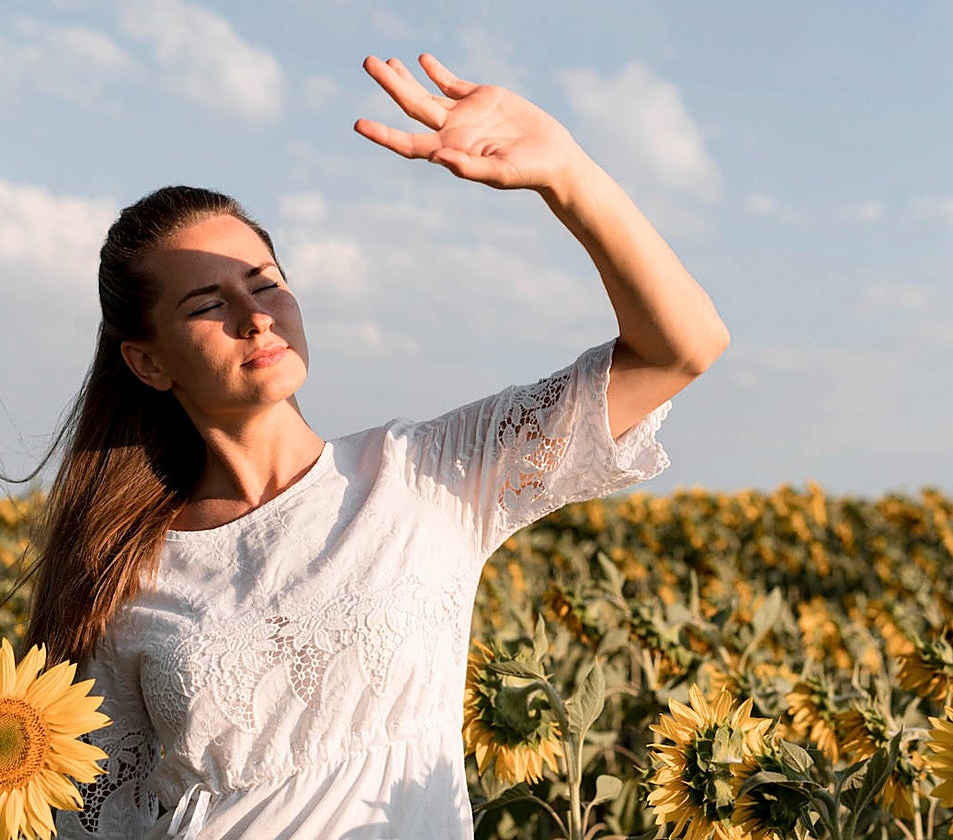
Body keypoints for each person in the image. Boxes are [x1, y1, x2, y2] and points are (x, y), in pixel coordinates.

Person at [40, 53, 729, 839]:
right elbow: (94, 821)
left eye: (265, 282)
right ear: (148, 362)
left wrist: (565, 174)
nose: (255, 316)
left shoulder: (427, 474)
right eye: (208, 304)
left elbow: (683, 347)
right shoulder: (127, 573)